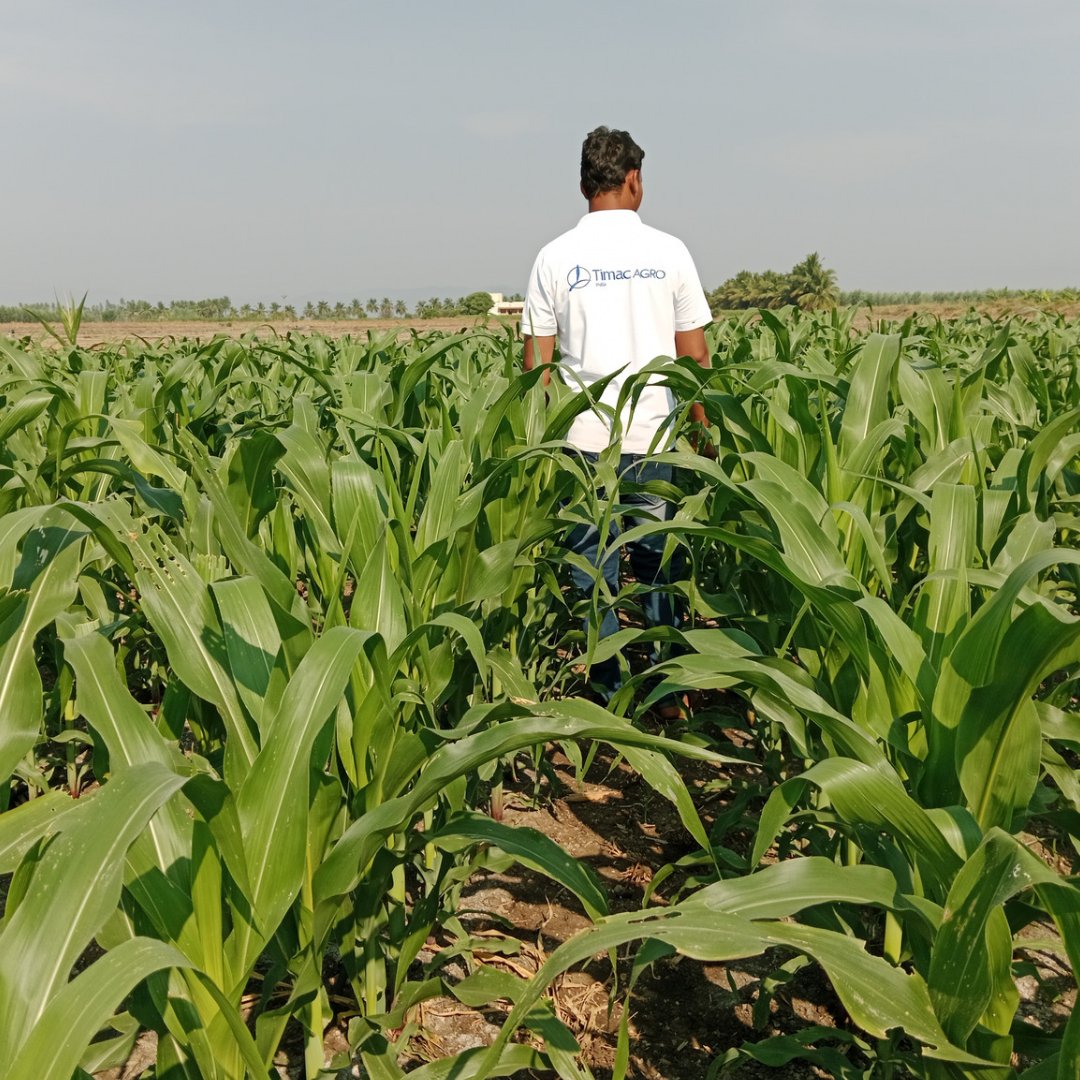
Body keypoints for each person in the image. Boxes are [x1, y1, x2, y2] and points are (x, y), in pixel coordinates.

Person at [521, 125, 712, 707]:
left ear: (584, 185)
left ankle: (605, 693)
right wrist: (703, 430)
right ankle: (664, 690)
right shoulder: (669, 252)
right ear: (633, 179)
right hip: (654, 437)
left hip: (583, 444)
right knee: (656, 560)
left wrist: (544, 442)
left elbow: (536, 369)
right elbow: (694, 357)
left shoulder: (553, 257)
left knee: (592, 566)